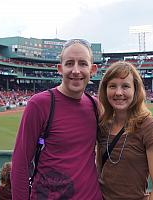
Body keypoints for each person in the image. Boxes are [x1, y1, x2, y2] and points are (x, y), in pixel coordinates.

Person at [11, 39, 103, 200]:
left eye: (82, 63)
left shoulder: (95, 106)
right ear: (60, 69)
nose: (76, 70)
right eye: (69, 63)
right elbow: (20, 164)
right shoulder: (39, 104)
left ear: (93, 69)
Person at [97, 61, 153, 200]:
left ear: (135, 90)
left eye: (125, 86)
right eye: (112, 86)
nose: (118, 92)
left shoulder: (149, 126)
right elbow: (100, 172)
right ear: (105, 90)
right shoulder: (103, 126)